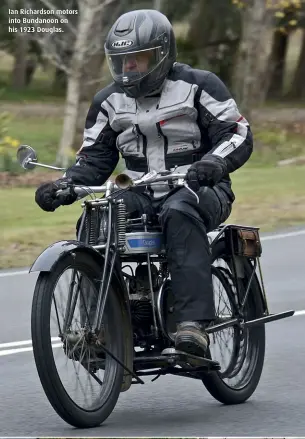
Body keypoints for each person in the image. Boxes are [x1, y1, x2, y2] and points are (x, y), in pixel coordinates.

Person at [35, 9, 253, 358]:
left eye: (138, 59)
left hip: (202, 189)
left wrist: (214, 161)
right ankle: (104, 325)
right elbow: (94, 158)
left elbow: (238, 132)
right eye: (121, 61)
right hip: (138, 192)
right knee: (97, 216)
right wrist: (64, 185)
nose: (129, 68)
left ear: (162, 53)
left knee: (180, 212)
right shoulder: (107, 102)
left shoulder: (199, 85)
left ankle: (191, 325)